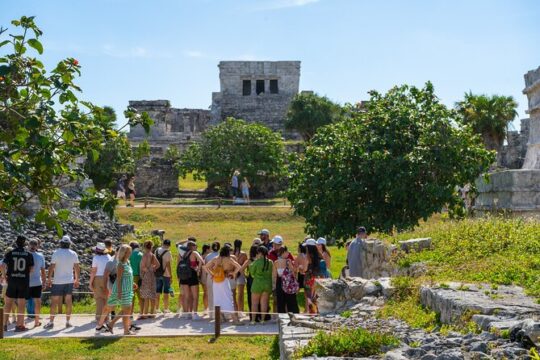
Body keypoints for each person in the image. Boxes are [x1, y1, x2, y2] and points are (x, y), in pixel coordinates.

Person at [96, 245, 136, 335]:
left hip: (128, 288)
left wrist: (132, 283)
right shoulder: (120, 264)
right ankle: (123, 330)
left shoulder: (128, 262)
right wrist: (119, 292)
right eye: (129, 252)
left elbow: (128, 275)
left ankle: (112, 325)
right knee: (122, 309)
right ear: (124, 253)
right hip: (122, 289)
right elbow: (119, 279)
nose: (130, 254)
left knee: (127, 309)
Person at [44, 235, 80, 329]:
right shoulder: (73, 253)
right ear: (69, 244)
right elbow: (77, 267)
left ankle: (51, 322)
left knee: (54, 302)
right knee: (68, 301)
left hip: (57, 281)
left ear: (61, 243)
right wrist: (77, 279)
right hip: (69, 281)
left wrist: (49, 279)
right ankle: (68, 322)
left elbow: (52, 267)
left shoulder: (56, 253)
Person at [1, 236, 34, 332]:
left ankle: (4, 324)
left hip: (12, 280)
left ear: (16, 243)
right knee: (21, 304)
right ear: (25, 244)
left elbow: (2, 266)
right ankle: (19, 325)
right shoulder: (28, 254)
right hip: (23, 281)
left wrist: (5, 276)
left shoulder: (10, 253)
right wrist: (24, 274)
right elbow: (31, 269)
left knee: (8, 303)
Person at [203, 246, 242, 324]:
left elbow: (205, 267)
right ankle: (235, 319)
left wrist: (212, 274)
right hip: (224, 280)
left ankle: (220, 317)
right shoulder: (228, 259)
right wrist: (233, 273)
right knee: (228, 298)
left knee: (217, 298)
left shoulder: (215, 259)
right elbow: (239, 266)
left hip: (216, 281)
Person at [178, 241, 204, 320]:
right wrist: (198, 270)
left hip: (184, 276)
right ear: (192, 246)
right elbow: (202, 261)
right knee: (195, 296)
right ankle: (195, 314)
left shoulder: (182, 254)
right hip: (192, 275)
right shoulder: (194, 253)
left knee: (186, 296)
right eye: (195, 245)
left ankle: (186, 314)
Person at [248, 246, 273, 324]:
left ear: (260, 253)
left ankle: (253, 320)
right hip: (267, 284)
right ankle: (262, 320)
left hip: (257, 284)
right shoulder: (270, 262)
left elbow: (251, 274)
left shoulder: (256, 262)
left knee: (254, 303)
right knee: (264, 303)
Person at [89, 242, 112, 322]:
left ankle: (99, 318)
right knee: (106, 297)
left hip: (98, 278)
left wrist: (90, 282)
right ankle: (106, 317)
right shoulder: (109, 256)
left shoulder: (96, 258)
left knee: (99, 298)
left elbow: (94, 271)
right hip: (107, 277)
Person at [272, 246, 299, 314]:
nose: (288, 253)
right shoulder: (288, 261)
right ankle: (293, 315)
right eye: (287, 252)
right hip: (288, 283)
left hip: (279, 282)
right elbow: (293, 272)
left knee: (281, 302)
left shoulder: (276, 262)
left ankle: (282, 317)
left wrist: (274, 286)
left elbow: (274, 275)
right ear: (283, 252)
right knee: (291, 301)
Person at [26, 239, 45, 327]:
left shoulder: (25, 255)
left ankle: (21, 322)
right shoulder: (40, 256)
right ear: (37, 246)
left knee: (23, 301)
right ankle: (36, 321)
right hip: (37, 282)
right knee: (37, 301)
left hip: (26, 282)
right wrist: (44, 282)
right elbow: (43, 271)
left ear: (29, 245)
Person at [303, 239, 325, 314]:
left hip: (309, 281)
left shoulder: (308, 257)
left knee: (310, 299)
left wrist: (300, 268)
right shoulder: (320, 256)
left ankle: (312, 315)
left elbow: (305, 269)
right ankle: (318, 314)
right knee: (317, 299)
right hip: (318, 280)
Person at [139, 240, 159, 319]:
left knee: (146, 295)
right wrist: (152, 269)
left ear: (144, 246)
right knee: (152, 294)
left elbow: (143, 267)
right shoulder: (152, 255)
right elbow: (158, 265)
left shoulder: (145, 255)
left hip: (146, 276)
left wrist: (146, 271)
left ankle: (145, 313)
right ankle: (152, 313)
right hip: (152, 275)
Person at [154, 239, 172, 313]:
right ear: (169, 245)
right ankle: (166, 309)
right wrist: (171, 275)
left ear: (162, 243)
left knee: (157, 291)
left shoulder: (156, 250)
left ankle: (157, 308)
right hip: (166, 274)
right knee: (166, 292)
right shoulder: (168, 252)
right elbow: (168, 265)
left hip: (157, 274)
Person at [204, 241, 220, 318]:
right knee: (218, 295)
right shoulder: (220, 256)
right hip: (219, 276)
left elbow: (205, 267)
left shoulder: (208, 256)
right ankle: (219, 313)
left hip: (210, 276)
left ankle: (211, 314)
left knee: (210, 295)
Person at [233, 239, 248, 313]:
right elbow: (246, 266)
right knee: (240, 295)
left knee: (233, 294)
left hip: (232, 275)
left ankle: (235, 311)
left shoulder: (231, 254)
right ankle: (240, 311)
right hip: (240, 275)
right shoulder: (244, 254)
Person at [129, 241, 143, 316]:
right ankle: (142, 312)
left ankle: (130, 313)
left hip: (131, 276)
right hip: (140, 276)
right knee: (140, 295)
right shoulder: (141, 255)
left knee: (131, 296)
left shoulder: (129, 255)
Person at [245, 244, 258, 321]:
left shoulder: (249, 261)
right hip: (257, 279)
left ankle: (252, 316)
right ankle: (258, 316)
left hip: (250, 280)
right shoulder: (259, 260)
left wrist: (246, 276)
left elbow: (241, 269)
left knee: (251, 299)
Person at [295, 242, 309, 312]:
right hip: (307, 274)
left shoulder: (299, 255)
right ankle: (307, 309)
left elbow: (295, 266)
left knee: (296, 292)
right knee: (307, 293)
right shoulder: (307, 255)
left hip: (301, 275)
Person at [199, 244, 211, 311]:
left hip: (202, 276)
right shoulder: (207, 256)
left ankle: (205, 307)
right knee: (207, 293)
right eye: (210, 249)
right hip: (206, 275)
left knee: (205, 292)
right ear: (207, 249)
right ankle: (207, 308)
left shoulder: (201, 256)